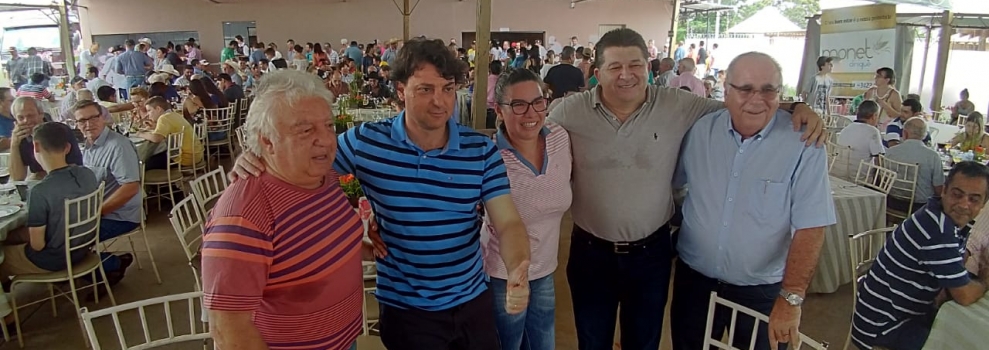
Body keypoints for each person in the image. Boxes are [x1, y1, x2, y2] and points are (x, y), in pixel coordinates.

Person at [232, 38, 532, 350]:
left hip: (471, 297)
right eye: (425, 89)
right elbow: (304, 168)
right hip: (406, 307)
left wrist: (518, 267)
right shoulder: (366, 143)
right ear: (401, 91)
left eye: (447, 88)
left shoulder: (480, 150)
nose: (440, 101)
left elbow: (507, 221)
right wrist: (255, 156)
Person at [547, 28, 824, 350]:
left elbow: (741, 103)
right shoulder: (569, 112)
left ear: (649, 67)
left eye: (635, 65)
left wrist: (797, 107)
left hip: (651, 254)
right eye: (615, 67)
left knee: (645, 340)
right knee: (592, 340)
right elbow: (533, 137)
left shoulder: (680, 105)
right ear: (597, 73)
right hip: (590, 252)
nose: (626, 75)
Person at [671, 52, 837, 350]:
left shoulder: (804, 143)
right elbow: (676, 187)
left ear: (780, 93)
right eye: (746, 89)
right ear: (726, 90)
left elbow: (811, 227)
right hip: (693, 283)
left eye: (768, 90)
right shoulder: (699, 132)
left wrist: (791, 299)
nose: (756, 99)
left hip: (761, 291)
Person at [204, 70, 374, 350]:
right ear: (267, 140)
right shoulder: (243, 216)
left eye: (329, 126)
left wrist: (363, 247)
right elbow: (228, 330)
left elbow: (308, 247)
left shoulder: (323, 176)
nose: (326, 140)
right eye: (306, 130)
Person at [852, 161, 989, 350]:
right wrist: (984, 279)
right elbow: (964, 295)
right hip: (882, 326)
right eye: (957, 194)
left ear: (983, 204)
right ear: (944, 191)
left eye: (974, 199)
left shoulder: (945, 218)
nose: (964, 205)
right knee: (957, 341)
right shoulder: (937, 229)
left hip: (897, 311)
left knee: (955, 328)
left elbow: (954, 264)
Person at [483, 68, 572, 350]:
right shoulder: (490, 157)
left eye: (537, 102)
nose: (531, 113)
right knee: (507, 344)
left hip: (545, 270)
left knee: (543, 344)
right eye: (518, 105)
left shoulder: (560, 139)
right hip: (502, 275)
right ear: (498, 109)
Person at [0, 122, 99, 279]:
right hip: (82, 248)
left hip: (53, 260)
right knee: (13, 235)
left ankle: (8, 299)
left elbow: (37, 246)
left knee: (3, 254)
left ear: (36, 147)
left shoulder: (40, 191)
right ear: (67, 147)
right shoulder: (88, 174)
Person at [72, 100, 139, 284]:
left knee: (65, 241)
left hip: (120, 217)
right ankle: (95, 268)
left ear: (102, 117)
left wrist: (94, 214)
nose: (88, 124)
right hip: (96, 212)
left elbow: (131, 187)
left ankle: (112, 264)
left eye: (93, 117)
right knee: (56, 235)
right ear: (76, 124)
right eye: (82, 120)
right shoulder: (86, 147)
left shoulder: (118, 146)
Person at [9, 97, 82, 182]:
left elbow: (75, 167)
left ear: (41, 114)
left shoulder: (61, 131)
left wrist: (39, 176)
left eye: (30, 116)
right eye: (21, 118)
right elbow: (17, 178)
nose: (26, 121)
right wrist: (14, 144)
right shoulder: (21, 138)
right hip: (41, 185)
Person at [885, 117, 946, 215]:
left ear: (905, 133)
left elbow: (883, 178)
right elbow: (939, 189)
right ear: (925, 135)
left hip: (891, 200)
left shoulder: (891, 152)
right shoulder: (932, 156)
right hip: (919, 207)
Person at [135, 97, 203, 170]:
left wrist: (140, 134)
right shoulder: (174, 114)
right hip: (196, 155)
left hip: (185, 158)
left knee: (141, 164)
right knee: (155, 155)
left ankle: (160, 179)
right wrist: (154, 127)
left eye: (149, 110)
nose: (148, 114)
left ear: (158, 109)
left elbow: (156, 138)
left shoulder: (164, 118)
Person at [833, 100, 885, 181]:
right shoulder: (873, 131)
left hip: (839, 175)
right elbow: (879, 159)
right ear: (874, 116)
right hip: (860, 178)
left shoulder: (846, 129)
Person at [865, 67, 903, 131]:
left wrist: (885, 106)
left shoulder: (894, 94)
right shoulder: (871, 91)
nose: (875, 78)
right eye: (876, 76)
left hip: (887, 128)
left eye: (879, 76)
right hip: (870, 126)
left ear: (887, 79)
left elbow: (899, 115)